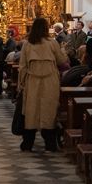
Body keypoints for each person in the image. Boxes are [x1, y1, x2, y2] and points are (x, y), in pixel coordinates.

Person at [17, 16, 68, 151]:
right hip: (50, 80)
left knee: (31, 110)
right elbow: (61, 60)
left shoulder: (28, 44)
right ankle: (50, 143)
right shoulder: (52, 43)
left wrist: (21, 84)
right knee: (48, 109)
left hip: (32, 80)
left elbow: (22, 66)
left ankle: (28, 143)